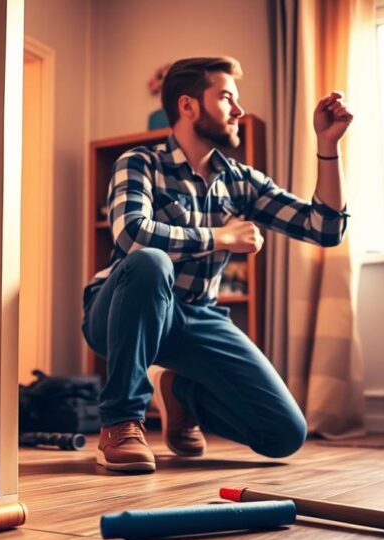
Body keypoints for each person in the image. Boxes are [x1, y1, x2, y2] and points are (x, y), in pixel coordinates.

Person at [81, 56, 352, 472]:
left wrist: (328, 145)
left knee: (283, 434)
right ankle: (121, 422)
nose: (239, 110)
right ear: (189, 106)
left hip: (198, 316)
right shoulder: (139, 163)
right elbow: (131, 235)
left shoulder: (241, 180)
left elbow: (325, 229)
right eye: (227, 97)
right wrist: (222, 237)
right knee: (151, 262)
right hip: (120, 310)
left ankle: (180, 392)